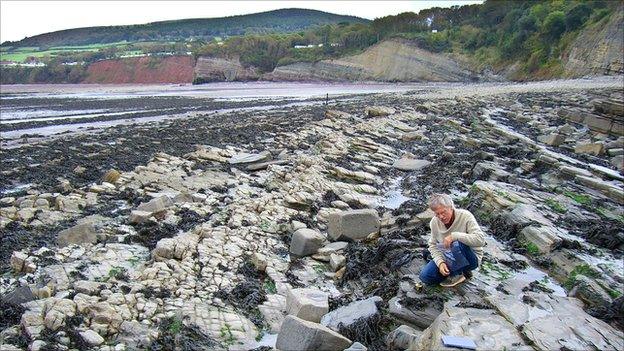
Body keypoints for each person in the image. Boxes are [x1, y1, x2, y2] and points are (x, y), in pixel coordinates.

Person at [419, 193, 485, 287]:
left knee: (456, 243)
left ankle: (460, 274)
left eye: (443, 212)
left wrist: (455, 236)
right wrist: (440, 263)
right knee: (425, 277)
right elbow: (433, 245)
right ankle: (453, 272)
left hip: (470, 258)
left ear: (451, 207)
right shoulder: (434, 222)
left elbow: (480, 240)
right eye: (437, 214)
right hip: (448, 256)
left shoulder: (465, 216)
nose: (441, 216)